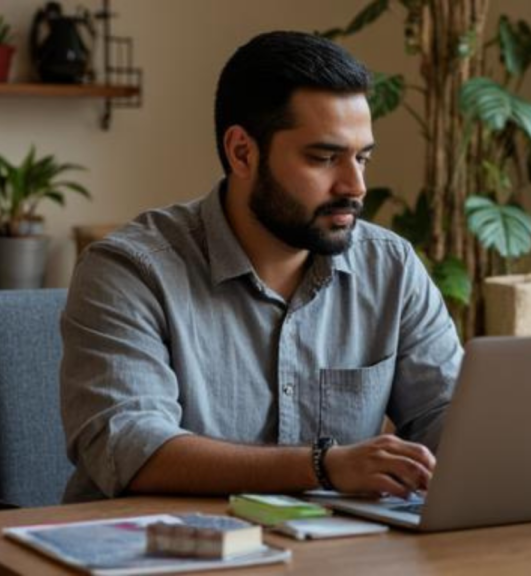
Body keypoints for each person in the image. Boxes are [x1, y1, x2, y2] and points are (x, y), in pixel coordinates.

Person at [59, 31, 462, 503]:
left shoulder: (390, 268)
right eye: (325, 158)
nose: (355, 186)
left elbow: (451, 419)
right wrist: (323, 466)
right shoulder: (131, 271)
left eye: (362, 158)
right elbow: (130, 447)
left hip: (339, 554)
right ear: (242, 153)